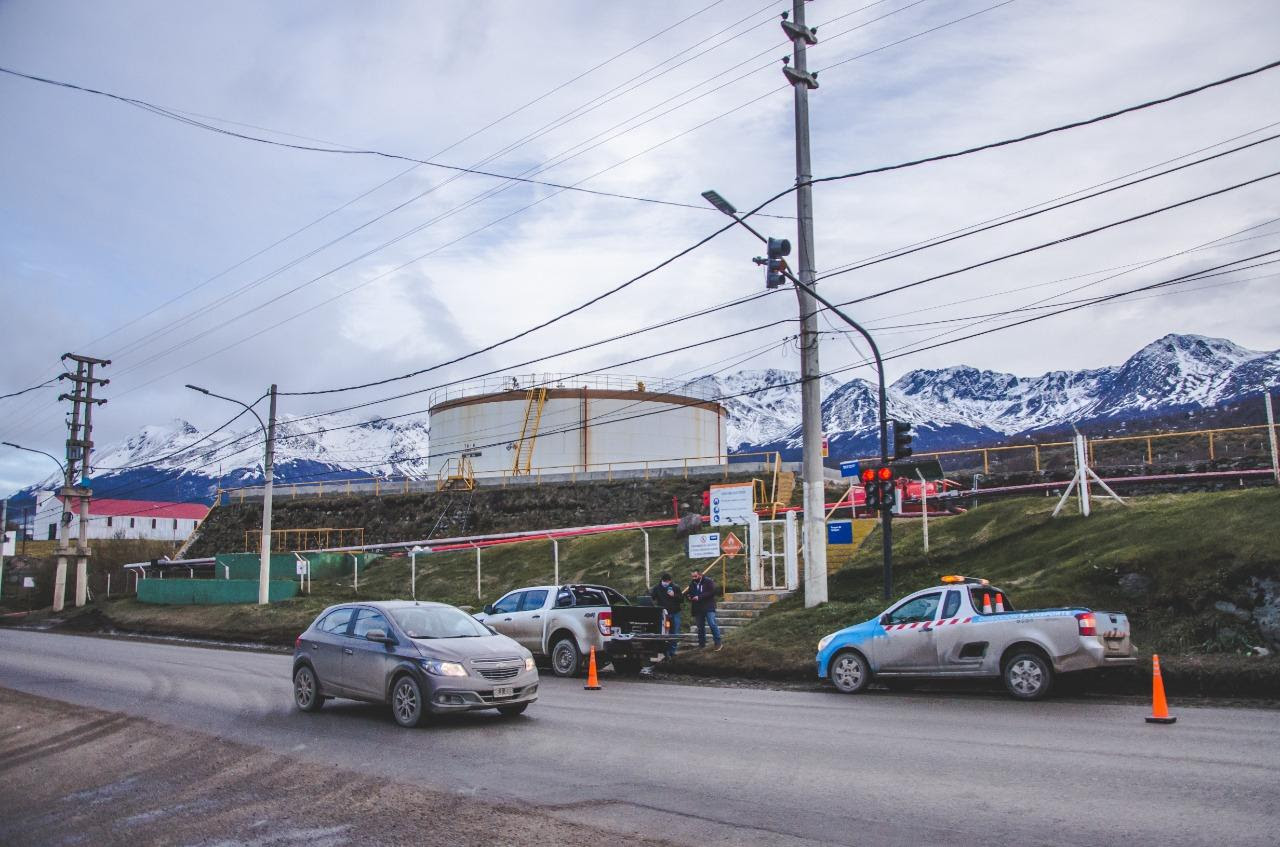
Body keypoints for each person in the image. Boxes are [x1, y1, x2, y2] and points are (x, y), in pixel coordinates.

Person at [650, 572, 684, 657]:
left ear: (670, 581)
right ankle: (665, 652)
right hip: (663, 613)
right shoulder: (657, 588)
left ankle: (672, 651)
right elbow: (652, 598)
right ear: (662, 580)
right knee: (663, 633)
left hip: (674, 612)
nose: (666, 583)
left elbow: (681, 599)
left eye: (667, 582)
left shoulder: (675, 587)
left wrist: (674, 595)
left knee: (674, 632)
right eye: (664, 581)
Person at [687, 569, 722, 650]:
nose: (694, 578)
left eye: (695, 576)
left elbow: (712, 592)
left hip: (708, 607)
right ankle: (701, 644)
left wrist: (699, 597)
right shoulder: (692, 583)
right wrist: (689, 597)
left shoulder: (708, 581)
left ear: (700, 575)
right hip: (698, 608)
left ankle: (718, 643)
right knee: (700, 627)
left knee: (712, 624)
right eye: (692, 576)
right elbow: (690, 593)